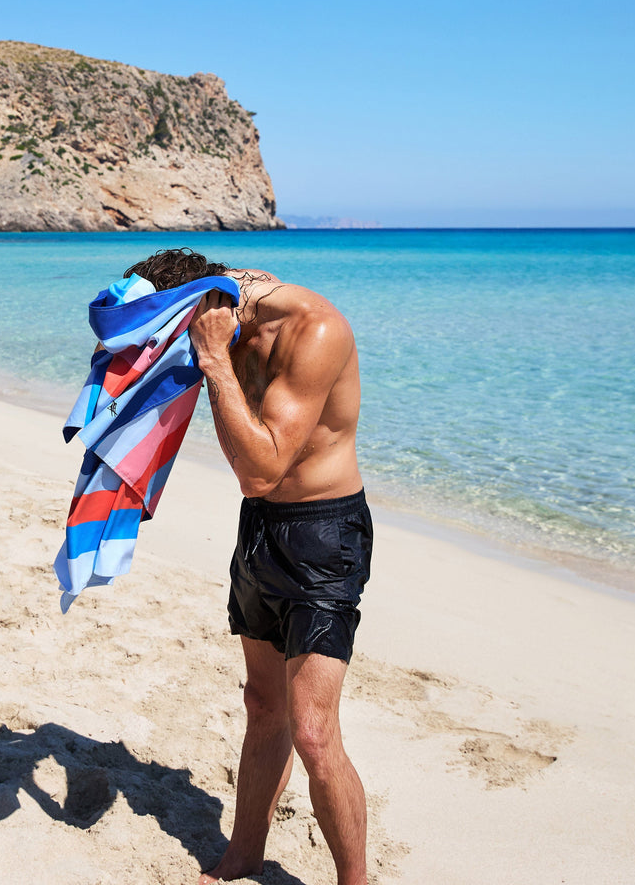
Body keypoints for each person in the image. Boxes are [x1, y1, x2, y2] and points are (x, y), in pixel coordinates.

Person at [123, 248, 372, 885]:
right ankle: (242, 857)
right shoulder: (225, 314)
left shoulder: (313, 330)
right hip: (260, 529)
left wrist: (211, 358)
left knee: (314, 732)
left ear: (202, 304)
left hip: (324, 536)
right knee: (264, 704)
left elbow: (261, 467)